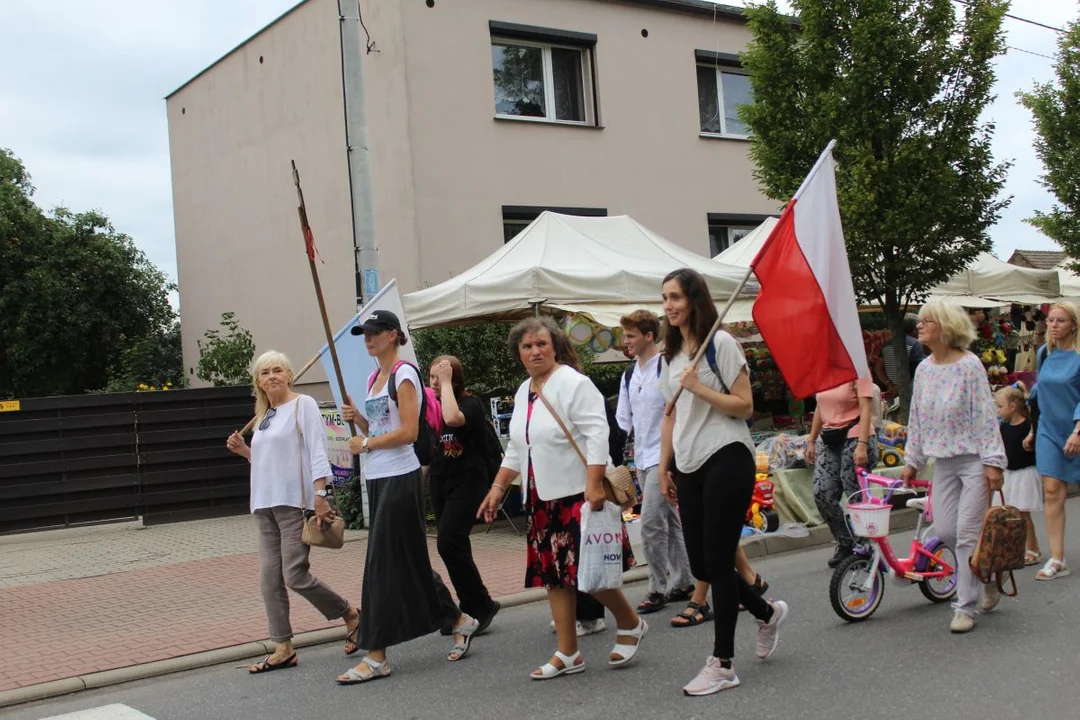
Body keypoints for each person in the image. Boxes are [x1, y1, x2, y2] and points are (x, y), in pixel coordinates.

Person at [478, 317, 646, 680]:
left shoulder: (574, 383)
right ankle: (568, 652)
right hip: (540, 497)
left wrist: (594, 484)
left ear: (554, 346)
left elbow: (597, 434)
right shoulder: (524, 391)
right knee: (554, 577)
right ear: (519, 354)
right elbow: (517, 448)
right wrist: (497, 488)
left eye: (541, 344)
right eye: (527, 346)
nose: (536, 351)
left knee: (589, 573)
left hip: (578, 493)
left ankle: (630, 622)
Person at [657, 268, 790, 697]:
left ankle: (723, 663)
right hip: (689, 461)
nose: (669, 306)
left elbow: (744, 406)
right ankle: (766, 612)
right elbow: (670, 414)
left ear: (695, 298)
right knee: (702, 564)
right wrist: (664, 466)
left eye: (675, 297)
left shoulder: (721, 343)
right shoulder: (670, 355)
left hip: (728, 455)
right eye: (664, 299)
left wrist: (698, 387)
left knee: (717, 559)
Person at [337, 310, 479, 684]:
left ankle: (377, 654)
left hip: (400, 476)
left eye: (374, 332)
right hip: (378, 477)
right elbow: (383, 426)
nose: (368, 339)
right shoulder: (373, 378)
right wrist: (360, 420)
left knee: (380, 565)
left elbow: (409, 432)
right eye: (364, 333)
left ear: (393, 335)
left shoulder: (404, 374)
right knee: (410, 559)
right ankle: (459, 618)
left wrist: (365, 442)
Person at [226, 350, 360, 673]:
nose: (271, 376)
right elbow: (270, 464)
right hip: (263, 505)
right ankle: (283, 646)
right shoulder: (264, 416)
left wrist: (320, 493)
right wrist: (246, 452)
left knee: (294, 575)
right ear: (258, 382)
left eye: (277, 371)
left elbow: (317, 450)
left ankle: (350, 613)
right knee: (268, 580)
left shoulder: (303, 405)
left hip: (293, 504)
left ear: (289, 375)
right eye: (265, 373)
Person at [901, 300, 1007, 634]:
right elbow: (916, 418)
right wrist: (912, 460)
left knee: (966, 536)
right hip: (942, 462)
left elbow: (985, 416)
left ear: (945, 327)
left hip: (973, 459)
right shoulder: (924, 369)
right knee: (946, 530)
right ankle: (987, 571)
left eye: (926, 321)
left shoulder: (970, 365)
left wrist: (992, 462)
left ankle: (965, 607)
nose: (919, 325)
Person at [616, 310, 695, 614]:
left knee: (650, 521)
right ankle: (685, 580)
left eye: (631, 335)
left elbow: (680, 410)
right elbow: (624, 420)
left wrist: (672, 461)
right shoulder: (629, 374)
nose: (627, 342)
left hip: (668, 457)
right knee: (671, 520)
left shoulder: (667, 366)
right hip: (642, 459)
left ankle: (656, 588)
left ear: (649, 336)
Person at [428, 356, 501, 632]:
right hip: (441, 481)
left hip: (469, 481)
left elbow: (452, 418)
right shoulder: (432, 406)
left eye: (440, 377)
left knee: (448, 542)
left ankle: (480, 605)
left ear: (454, 379)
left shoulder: (470, 404)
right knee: (454, 545)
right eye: (432, 377)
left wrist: (446, 384)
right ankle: (472, 606)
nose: (434, 383)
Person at [1025, 302, 1080, 580]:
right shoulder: (1045, 353)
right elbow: (1039, 392)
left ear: (1074, 324)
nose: (1053, 324)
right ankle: (1057, 559)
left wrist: (1078, 431)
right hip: (1049, 428)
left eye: (1061, 320)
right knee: (1051, 491)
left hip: (1076, 427)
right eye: (1050, 320)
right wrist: (1032, 429)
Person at [806, 373, 880, 568]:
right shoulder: (823, 373)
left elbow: (866, 408)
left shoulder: (858, 370)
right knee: (822, 493)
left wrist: (862, 445)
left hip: (856, 435)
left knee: (854, 494)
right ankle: (846, 542)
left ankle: (864, 547)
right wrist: (811, 441)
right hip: (830, 438)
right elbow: (820, 408)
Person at [995, 383, 1043, 566]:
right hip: (1010, 473)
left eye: (1000, 406)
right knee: (1008, 513)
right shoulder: (1004, 427)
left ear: (1013, 406)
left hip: (1025, 473)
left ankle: (1033, 548)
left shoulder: (1028, 427)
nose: (998, 410)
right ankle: (1014, 548)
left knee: (1023, 513)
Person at [876, 313, 926, 393]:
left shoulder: (886, 345)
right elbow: (920, 370)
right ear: (914, 330)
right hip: (910, 391)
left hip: (892, 391)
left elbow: (878, 368)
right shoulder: (916, 344)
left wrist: (889, 385)